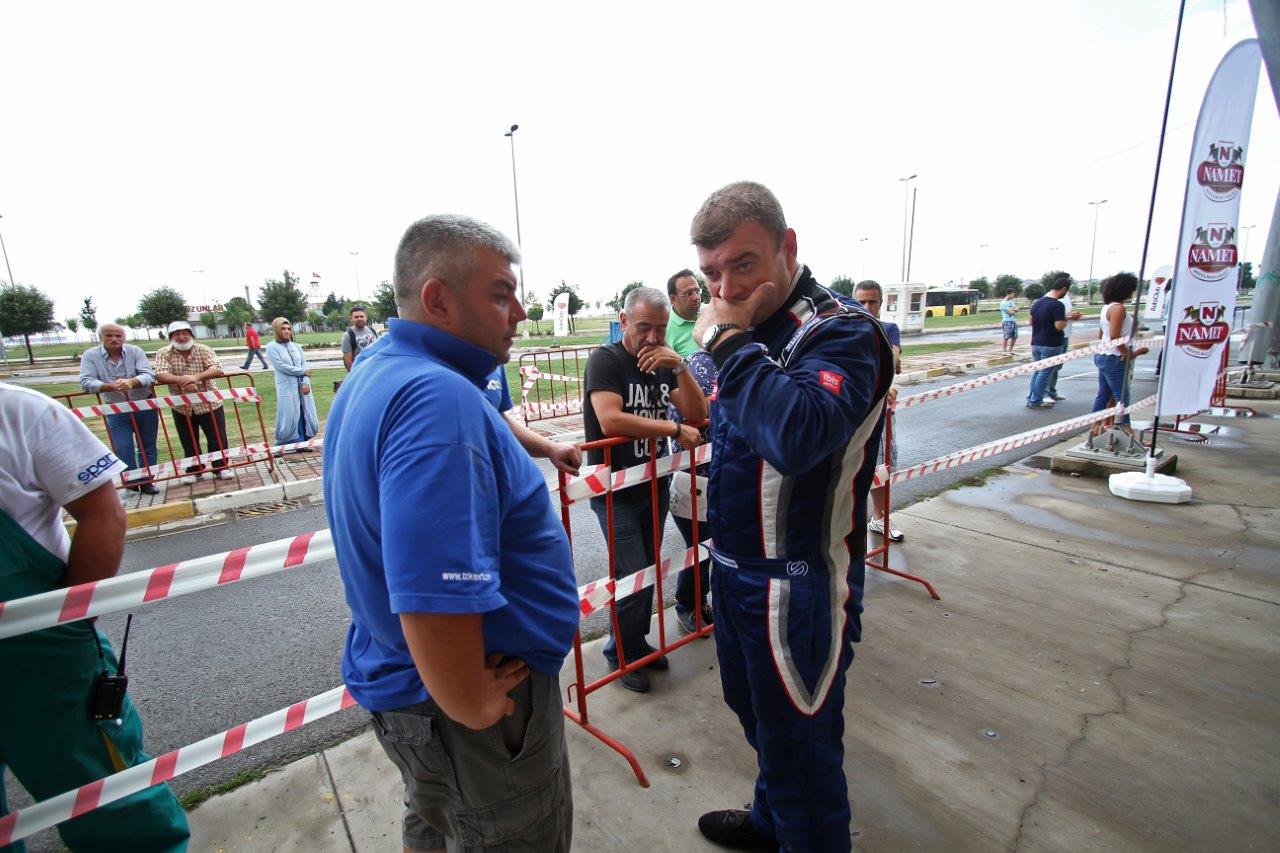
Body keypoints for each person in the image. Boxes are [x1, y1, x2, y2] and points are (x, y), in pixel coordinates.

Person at [324, 214, 577, 852]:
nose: (520, 311)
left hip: (414, 691)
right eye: (501, 294)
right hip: (464, 710)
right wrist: (469, 702)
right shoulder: (438, 398)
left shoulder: (383, 367)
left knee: (437, 818)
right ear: (437, 299)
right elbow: (438, 586)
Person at [689, 181, 893, 852]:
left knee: (803, 755)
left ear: (788, 247)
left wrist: (724, 342)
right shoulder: (749, 332)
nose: (726, 289)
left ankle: (798, 828)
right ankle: (769, 820)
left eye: (743, 264)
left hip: (796, 584)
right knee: (760, 721)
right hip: (732, 570)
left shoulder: (841, 331)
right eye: (711, 273)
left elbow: (800, 436)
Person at [0, 382, 190, 851]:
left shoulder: (19, 412)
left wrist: (71, 617)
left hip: (37, 652)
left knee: (102, 791)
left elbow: (105, 515)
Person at [582, 286, 708, 693]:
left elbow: (699, 412)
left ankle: (635, 645)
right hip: (616, 490)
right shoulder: (606, 360)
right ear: (623, 322)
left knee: (645, 574)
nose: (652, 337)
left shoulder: (663, 362)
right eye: (643, 327)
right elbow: (610, 420)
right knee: (633, 574)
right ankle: (620, 655)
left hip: (654, 484)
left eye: (660, 328)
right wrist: (672, 428)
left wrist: (680, 365)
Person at [78, 323, 161, 495]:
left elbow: (148, 375)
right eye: (109, 335)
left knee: (147, 446)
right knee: (123, 447)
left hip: (144, 405)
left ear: (124, 337)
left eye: (118, 335)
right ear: (101, 337)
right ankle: (131, 482)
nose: (114, 339)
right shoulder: (90, 355)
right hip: (115, 408)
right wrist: (110, 387)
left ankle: (147, 481)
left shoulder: (135, 351)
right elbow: (86, 382)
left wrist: (132, 382)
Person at [666, 346, 715, 636]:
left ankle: (701, 602)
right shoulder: (701, 364)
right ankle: (688, 604)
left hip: (717, 474)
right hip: (694, 477)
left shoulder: (733, 359)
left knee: (709, 546)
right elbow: (700, 411)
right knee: (699, 547)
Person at [853, 280, 905, 542]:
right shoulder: (842, 328)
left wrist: (884, 384)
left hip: (877, 413)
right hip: (849, 413)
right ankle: (849, 525)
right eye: (861, 301)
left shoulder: (888, 329)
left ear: (881, 304)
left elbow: (892, 359)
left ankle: (880, 518)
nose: (867, 306)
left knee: (880, 466)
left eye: (872, 301)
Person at [153, 320, 233, 482]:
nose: (181, 337)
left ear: (191, 335)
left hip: (209, 402)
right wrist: (183, 381)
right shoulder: (164, 353)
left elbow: (216, 368)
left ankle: (221, 468)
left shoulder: (204, 349)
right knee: (188, 439)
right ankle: (194, 470)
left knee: (217, 437)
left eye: (185, 333)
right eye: (177, 334)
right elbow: (160, 374)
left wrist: (195, 378)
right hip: (182, 405)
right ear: (171, 337)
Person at [1091, 272, 1149, 438]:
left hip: (1104, 354)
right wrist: (1126, 353)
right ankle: (1126, 428)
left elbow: (1102, 334)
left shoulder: (1106, 308)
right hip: (1114, 357)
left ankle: (1095, 427)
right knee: (1121, 396)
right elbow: (1115, 336)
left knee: (1104, 394)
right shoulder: (1118, 308)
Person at [265, 317, 319, 449]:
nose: (287, 331)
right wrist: (302, 372)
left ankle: (303, 442)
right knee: (289, 414)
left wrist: (305, 382)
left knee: (305, 411)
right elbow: (281, 366)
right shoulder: (272, 347)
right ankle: (284, 443)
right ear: (277, 330)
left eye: (288, 328)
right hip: (286, 387)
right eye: (283, 328)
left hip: (302, 387)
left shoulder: (296, 347)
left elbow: (304, 365)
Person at [1025, 279, 1071, 409]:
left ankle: (1031, 398)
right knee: (1045, 372)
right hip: (1051, 343)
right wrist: (1065, 319)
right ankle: (1036, 400)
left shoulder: (1037, 303)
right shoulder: (1057, 305)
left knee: (1037, 371)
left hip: (1036, 342)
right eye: (1066, 291)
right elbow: (1059, 326)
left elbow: (1030, 322)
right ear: (1063, 289)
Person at [1045, 274, 1083, 402]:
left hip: (1065, 335)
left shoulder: (1064, 297)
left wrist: (1070, 315)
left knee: (1057, 366)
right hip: (1054, 336)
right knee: (1049, 367)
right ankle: (1045, 393)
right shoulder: (1050, 298)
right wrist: (1068, 316)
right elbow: (1052, 316)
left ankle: (1051, 390)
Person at [665, 268, 703, 358]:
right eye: (688, 293)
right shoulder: (664, 330)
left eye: (697, 291)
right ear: (673, 299)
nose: (696, 297)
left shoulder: (711, 313)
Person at [341, 305, 379, 371]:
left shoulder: (372, 331)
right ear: (351, 318)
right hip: (360, 372)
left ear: (366, 317)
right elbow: (348, 362)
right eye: (356, 317)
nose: (359, 319)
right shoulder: (348, 335)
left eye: (361, 316)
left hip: (375, 370)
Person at [999, 288, 1020, 352]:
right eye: (1012, 294)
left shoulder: (1010, 302)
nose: (1013, 296)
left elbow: (1017, 309)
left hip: (1013, 320)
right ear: (1008, 294)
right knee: (1006, 337)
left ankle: (1010, 350)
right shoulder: (1003, 303)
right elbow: (1010, 312)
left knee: (1015, 336)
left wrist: (1013, 310)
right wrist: (1013, 310)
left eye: (1014, 294)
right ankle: (1004, 351)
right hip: (1007, 321)